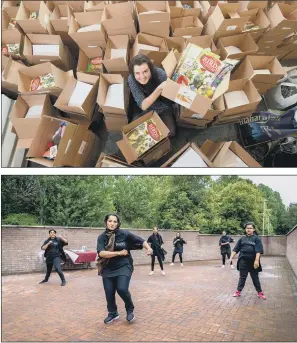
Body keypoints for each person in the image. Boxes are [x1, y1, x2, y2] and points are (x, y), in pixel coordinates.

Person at [97, 214, 153, 324]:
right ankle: (113, 313)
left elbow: (140, 240)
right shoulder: (102, 237)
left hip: (124, 265)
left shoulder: (124, 234)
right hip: (108, 267)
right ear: (106, 222)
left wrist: (149, 248)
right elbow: (101, 253)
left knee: (122, 289)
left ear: (118, 223)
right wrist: (119, 252)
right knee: (109, 292)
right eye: (110, 221)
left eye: (114, 221)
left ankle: (130, 309)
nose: (112, 223)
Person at [128, 54, 177, 137]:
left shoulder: (160, 74)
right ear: (133, 73)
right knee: (133, 132)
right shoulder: (131, 79)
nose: (142, 77)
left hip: (162, 106)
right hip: (143, 107)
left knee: (170, 133)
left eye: (145, 71)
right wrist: (159, 89)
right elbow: (143, 106)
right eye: (137, 73)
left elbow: (172, 94)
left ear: (150, 69)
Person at [228, 222, 266, 300]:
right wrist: (231, 258)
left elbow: (258, 251)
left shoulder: (256, 238)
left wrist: (256, 261)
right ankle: (238, 291)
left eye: (250, 228)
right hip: (243, 261)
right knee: (242, 277)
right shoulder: (242, 239)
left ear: (253, 229)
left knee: (255, 278)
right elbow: (236, 249)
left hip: (253, 262)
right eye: (247, 228)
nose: (249, 229)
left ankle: (260, 292)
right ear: (245, 229)